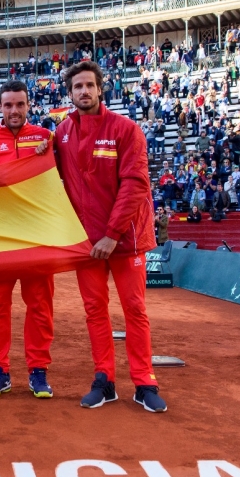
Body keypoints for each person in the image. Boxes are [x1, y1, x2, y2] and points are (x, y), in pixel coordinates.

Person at [54, 60, 166, 413]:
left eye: (89, 85)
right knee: (94, 311)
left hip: (124, 240)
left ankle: (144, 381)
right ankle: (104, 379)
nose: (83, 91)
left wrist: (112, 235)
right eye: (77, 87)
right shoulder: (62, 134)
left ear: (100, 89)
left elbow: (135, 185)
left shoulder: (126, 129)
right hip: (87, 244)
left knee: (134, 309)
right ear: (69, 93)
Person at [0, 80, 55, 399]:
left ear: (28, 105)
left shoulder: (45, 137)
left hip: (38, 235)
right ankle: (0, 370)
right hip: (0, 236)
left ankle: (38, 370)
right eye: (8, 105)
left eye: (19, 105)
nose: (14, 111)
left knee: (40, 305)